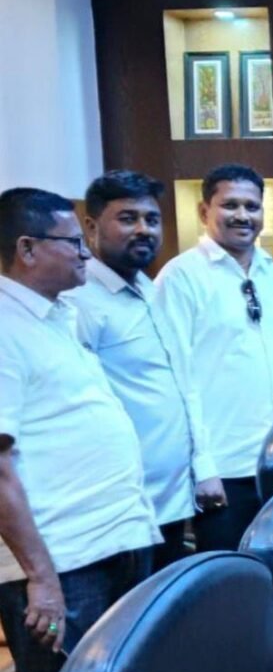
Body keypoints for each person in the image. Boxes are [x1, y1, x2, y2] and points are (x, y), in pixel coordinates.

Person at [0, 188, 158, 672]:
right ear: (27, 248)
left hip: (109, 541)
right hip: (62, 564)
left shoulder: (57, 315)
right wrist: (41, 578)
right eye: (73, 243)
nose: (86, 254)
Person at [155, 164, 273, 551]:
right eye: (230, 205)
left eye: (252, 206)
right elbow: (176, 380)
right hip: (225, 470)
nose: (243, 215)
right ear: (204, 211)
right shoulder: (181, 277)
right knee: (231, 575)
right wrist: (202, 466)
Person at [64, 171, 202, 570]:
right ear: (91, 226)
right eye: (128, 219)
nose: (144, 229)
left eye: (151, 219)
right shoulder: (79, 302)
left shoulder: (148, 288)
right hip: (122, 512)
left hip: (170, 501)